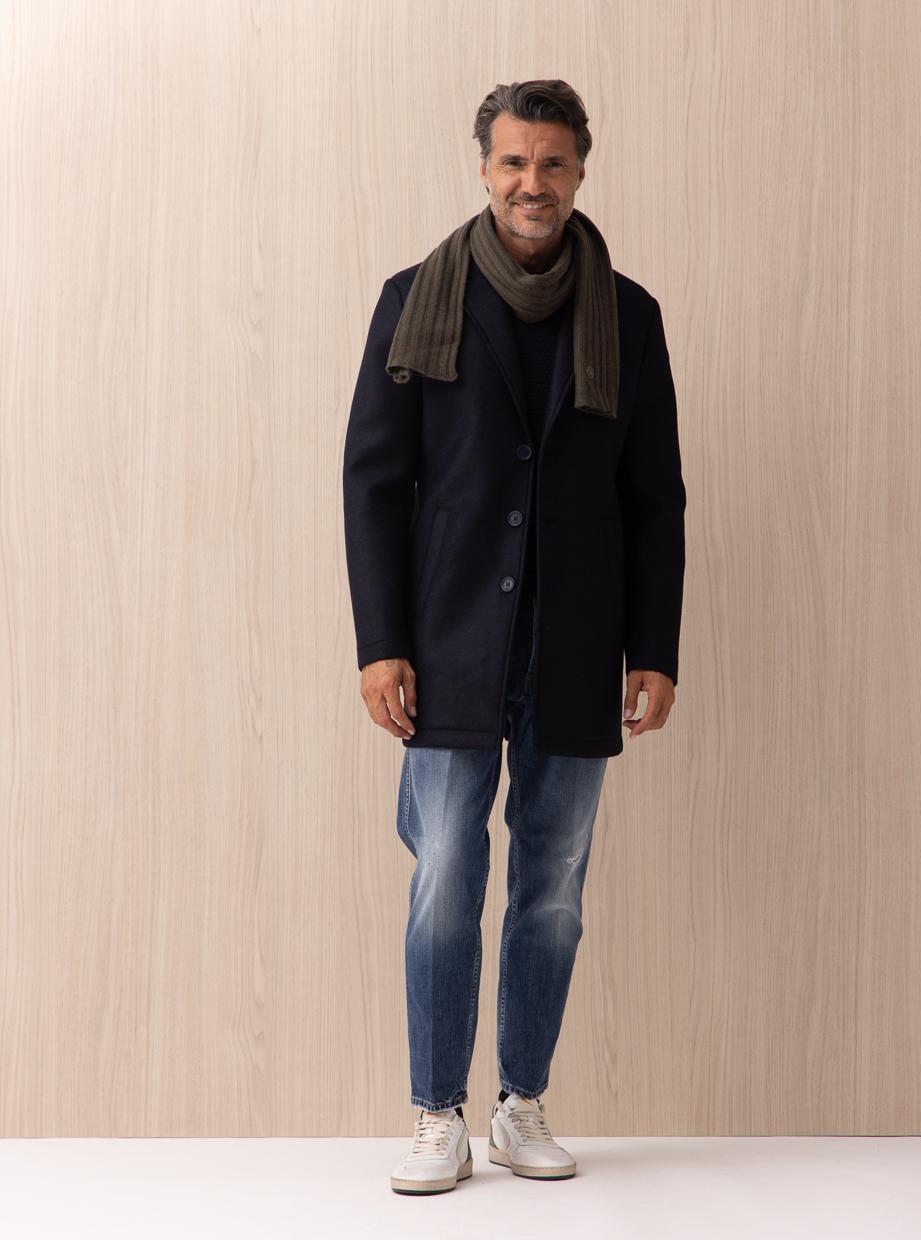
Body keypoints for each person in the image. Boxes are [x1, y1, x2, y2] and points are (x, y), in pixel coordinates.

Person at [342, 79, 686, 1195]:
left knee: (552, 888)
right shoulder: (415, 299)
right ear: (483, 168)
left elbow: (654, 498)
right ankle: (436, 1111)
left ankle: (521, 1101)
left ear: (580, 169)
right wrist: (379, 642)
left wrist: (654, 646)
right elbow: (373, 484)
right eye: (512, 162)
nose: (531, 184)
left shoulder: (627, 315)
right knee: (445, 874)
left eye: (551, 163)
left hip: (577, 644)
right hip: (446, 640)